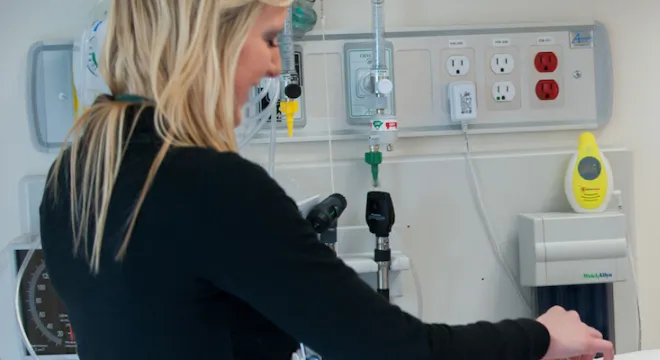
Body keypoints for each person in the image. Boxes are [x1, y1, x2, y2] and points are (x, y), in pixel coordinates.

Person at [36, 1, 613, 359]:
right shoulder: (211, 188)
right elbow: (395, 354)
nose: (275, 66)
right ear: (210, 36)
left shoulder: (79, 174)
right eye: (268, 38)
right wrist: (537, 336)